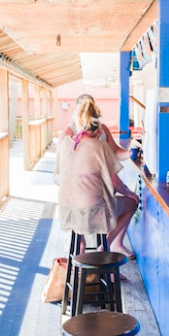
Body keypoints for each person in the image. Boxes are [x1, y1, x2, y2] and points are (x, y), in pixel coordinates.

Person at [56, 98, 139, 258]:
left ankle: (81, 270)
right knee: (131, 203)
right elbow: (116, 183)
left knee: (92, 203)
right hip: (92, 213)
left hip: (66, 211)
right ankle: (104, 250)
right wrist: (131, 194)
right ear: (98, 128)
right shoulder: (100, 147)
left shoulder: (66, 142)